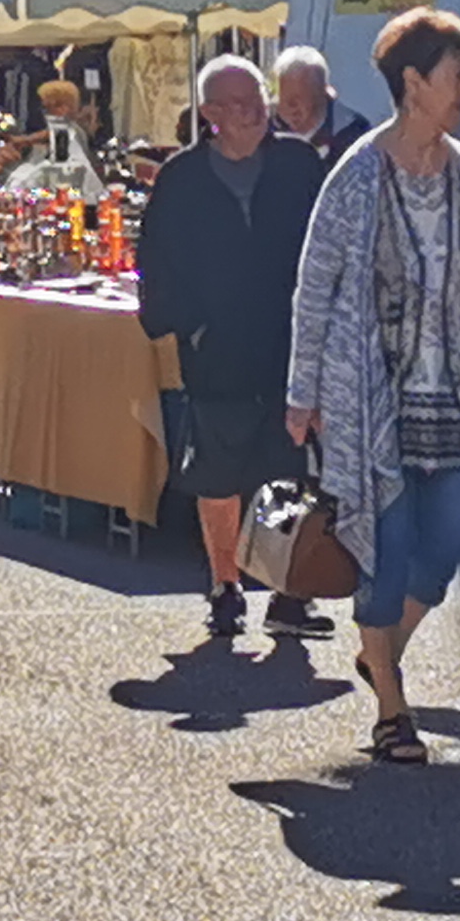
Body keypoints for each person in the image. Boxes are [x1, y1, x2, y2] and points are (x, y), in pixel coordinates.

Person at [285, 8, 460, 766]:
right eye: (459, 74)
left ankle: (381, 652)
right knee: (387, 545)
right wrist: (304, 393)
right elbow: (315, 286)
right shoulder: (358, 174)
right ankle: (393, 712)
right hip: (372, 399)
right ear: (414, 84)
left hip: (456, 395)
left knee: (453, 536)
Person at [140, 55, 334, 644]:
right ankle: (225, 587)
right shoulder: (182, 178)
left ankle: (285, 592)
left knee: (286, 472)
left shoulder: (298, 165)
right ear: (209, 115)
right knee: (218, 475)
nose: (256, 113)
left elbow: (329, 247)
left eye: (259, 101)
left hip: (287, 345)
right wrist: (184, 325)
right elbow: (158, 261)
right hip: (217, 348)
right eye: (240, 104)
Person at [271, 47, 370, 165]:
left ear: (323, 94)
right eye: (284, 98)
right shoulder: (264, 129)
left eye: (300, 97)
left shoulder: (354, 135)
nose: (291, 107)